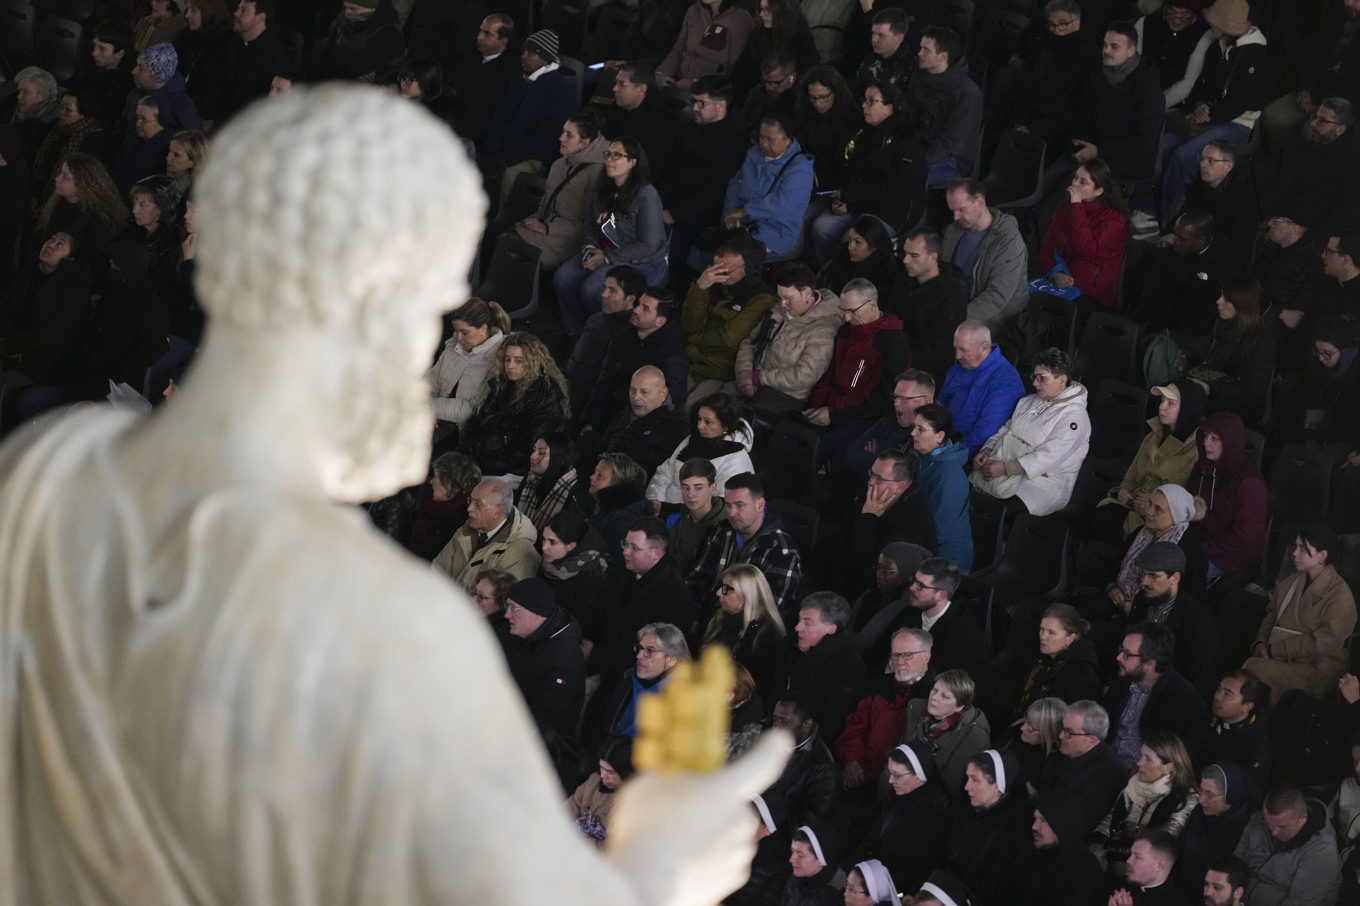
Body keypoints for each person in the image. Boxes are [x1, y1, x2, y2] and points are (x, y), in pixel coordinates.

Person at [0, 85, 792, 906]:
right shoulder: (398, 630)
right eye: (431, 309)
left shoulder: (53, 461)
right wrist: (664, 865)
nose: (436, 347)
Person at [1156, 0, 1271, 221]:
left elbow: (1240, 102)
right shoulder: (1221, 44)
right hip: (1207, 116)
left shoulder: (1255, 57)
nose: (1210, 27)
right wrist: (1199, 104)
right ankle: (1152, 211)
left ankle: (1171, 220)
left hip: (1237, 124)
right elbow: (1203, 83)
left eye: (1216, 24)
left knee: (1185, 157)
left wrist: (1208, 113)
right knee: (1162, 146)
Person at [556, 138, 669, 339]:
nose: (609, 159)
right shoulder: (601, 187)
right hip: (602, 249)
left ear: (633, 162)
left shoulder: (646, 195)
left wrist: (606, 257)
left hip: (636, 259)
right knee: (562, 278)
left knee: (591, 290)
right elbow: (591, 225)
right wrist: (589, 247)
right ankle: (576, 333)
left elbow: (649, 245)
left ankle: (599, 338)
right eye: (608, 154)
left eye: (617, 155)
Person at [1046, 21, 1163, 214]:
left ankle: (1033, 232)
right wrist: (1079, 142)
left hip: (1125, 159)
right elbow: (1083, 113)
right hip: (1094, 147)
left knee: (1068, 188)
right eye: (1105, 45)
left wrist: (1098, 152)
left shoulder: (1149, 91)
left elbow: (1144, 144)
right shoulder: (1099, 74)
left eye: (1114, 46)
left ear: (1131, 50)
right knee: (1050, 176)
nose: (1106, 51)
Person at [809, 81, 927, 265]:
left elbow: (895, 189)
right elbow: (848, 168)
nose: (864, 105)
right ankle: (828, 272)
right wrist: (842, 198)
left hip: (890, 210)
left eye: (872, 101)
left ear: (889, 107)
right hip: (858, 202)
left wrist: (849, 196)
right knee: (821, 229)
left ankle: (853, 284)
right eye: (864, 100)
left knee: (852, 242)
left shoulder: (906, 142)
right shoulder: (862, 133)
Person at [969, 348, 1091, 517]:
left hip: (1044, 483)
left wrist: (1006, 468)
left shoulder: (1075, 418)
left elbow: (1049, 456)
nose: (1035, 383)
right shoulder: (1028, 401)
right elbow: (1006, 430)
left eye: (1042, 378)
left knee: (996, 510)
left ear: (1062, 381)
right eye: (1034, 377)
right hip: (1005, 462)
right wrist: (987, 450)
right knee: (966, 493)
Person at [1244, 524, 1359, 699]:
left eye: (1302, 549)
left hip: (1317, 667)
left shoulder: (1341, 597)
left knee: (1253, 670)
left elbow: (1322, 642)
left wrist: (1274, 650)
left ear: (1322, 555)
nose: (1295, 553)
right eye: (1296, 547)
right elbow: (1272, 616)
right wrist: (1260, 643)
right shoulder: (1292, 582)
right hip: (1279, 655)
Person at [801, 278, 911, 461]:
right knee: (794, 433)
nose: (846, 318)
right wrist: (816, 405)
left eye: (852, 311)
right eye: (843, 310)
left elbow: (878, 397)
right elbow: (831, 375)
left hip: (864, 417)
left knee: (813, 451)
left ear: (872, 305)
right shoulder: (846, 331)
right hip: (835, 407)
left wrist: (832, 412)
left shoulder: (893, 342)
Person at [656, 75, 750, 278]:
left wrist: (677, 213)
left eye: (701, 103)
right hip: (673, 201)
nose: (694, 108)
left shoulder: (735, 140)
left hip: (701, 212)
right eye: (693, 102)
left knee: (675, 256)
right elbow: (671, 166)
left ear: (720, 105)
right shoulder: (692, 127)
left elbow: (717, 190)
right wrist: (659, 201)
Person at [1079, 486, 1208, 629]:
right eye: (1150, 504)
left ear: (1176, 517)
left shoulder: (1191, 552)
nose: (1149, 511)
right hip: (1117, 601)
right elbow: (1114, 567)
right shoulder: (1141, 533)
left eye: (1158, 509)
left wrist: (1137, 607)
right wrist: (1111, 587)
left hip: (1151, 621)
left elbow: (1187, 602)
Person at [586, 517, 695, 685]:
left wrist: (595, 655)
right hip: (603, 668)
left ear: (656, 553)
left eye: (634, 548)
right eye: (626, 544)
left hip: (629, 682)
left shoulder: (674, 595)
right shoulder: (627, 573)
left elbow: (655, 653)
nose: (625, 552)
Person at [1094, 381, 1204, 543]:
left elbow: (1191, 504)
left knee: (1108, 524)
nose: (1162, 407)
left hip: (1162, 526)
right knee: (1102, 515)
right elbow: (1130, 477)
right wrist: (1124, 491)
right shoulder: (1152, 436)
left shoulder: (1198, 451)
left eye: (1170, 403)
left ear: (1188, 409)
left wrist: (1155, 508)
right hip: (1132, 507)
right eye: (1162, 401)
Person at [688, 472, 805, 620]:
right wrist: (691, 619)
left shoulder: (783, 551)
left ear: (760, 504)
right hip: (707, 621)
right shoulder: (721, 531)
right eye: (728, 505)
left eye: (739, 505)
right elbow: (697, 577)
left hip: (744, 632)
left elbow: (771, 612)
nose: (732, 513)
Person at [456, 333, 571, 478]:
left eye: (518, 361)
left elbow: (526, 450)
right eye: (507, 359)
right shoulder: (502, 385)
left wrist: (479, 466)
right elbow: (477, 420)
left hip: (513, 472)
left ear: (532, 362)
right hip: (485, 460)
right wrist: (463, 453)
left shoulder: (545, 399)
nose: (510, 366)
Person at [733, 261, 841, 415]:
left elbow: (804, 375)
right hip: (748, 382)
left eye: (788, 298)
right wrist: (744, 374)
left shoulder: (825, 328)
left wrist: (759, 378)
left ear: (807, 293)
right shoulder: (778, 311)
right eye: (780, 298)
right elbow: (749, 342)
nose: (783, 304)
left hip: (784, 398)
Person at [578, 287, 689, 435]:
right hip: (611, 414)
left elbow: (665, 403)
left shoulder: (673, 354)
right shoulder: (624, 335)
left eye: (645, 309)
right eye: (638, 304)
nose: (636, 310)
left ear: (660, 321)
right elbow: (605, 381)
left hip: (639, 430)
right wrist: (590, 422)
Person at [836, 628, 934, 794]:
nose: (900, 661)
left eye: (908, 655)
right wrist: (851, 760)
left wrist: (869, 774)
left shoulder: (934, 697)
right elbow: (856, 725)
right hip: (856, 770)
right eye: (895, 655)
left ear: (926, 657)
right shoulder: (879, 685)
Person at [511, 109, 611, 271]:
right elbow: (546, 203)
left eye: (569, 135)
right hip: (547, 227)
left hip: (570, 240)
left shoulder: (599, 173)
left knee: (511, 246)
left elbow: (591, 226)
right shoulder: (559, 164)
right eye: (563, 132)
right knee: (501, 239)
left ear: (585, 142)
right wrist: (533, 219)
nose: (561, 138)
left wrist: (549, 228)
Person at [682, 235, 776, 403]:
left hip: (720, 372)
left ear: (746, 269)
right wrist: (700, 288)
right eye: (714, 268)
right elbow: (689, 324)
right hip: (691, 360)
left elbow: (729, 339)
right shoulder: (711, 284)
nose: (718, 276)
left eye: (725, 272)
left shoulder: (762, 299)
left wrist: (696, 338)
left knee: (690, 407)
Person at [1095, 733, 1200, 878]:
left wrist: (1109, 849)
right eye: (1141, 756)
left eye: (1148, 759)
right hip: (1115, 854)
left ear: (1168, 767)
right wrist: (1098, 842)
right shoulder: (1133, 782)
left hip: (1147, 868)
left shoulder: (1183, 800)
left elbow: (1161, 842)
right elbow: (1110, 819)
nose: (1139, 763)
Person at [851, 742, 950, 893]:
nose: (890, 781)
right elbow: (873, 837)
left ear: (920, 776)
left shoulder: (935, 818)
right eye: (889, 773)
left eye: (897, 775)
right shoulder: (896, 797)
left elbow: (915, 870)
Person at [713, 112, 813, 261]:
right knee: (704, 248)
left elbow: (780, 204)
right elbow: (735, 184)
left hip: (775, 231)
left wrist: (743, 212)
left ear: (787, 140)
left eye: (770, 140)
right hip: (744, 224)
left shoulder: (800, 169)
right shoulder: (753, 155)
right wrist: (730, 214)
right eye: (761, 138)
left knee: (731, 259)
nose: (764, 144)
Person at [1000, 0, 1097, 149]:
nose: (1057, 30)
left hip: (1056, 134)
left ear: (1077, 23)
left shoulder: (1089, 57)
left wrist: (1033, 129)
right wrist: (1020, 121)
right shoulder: (1050, 50)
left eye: (1063, 24)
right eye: (1052, 25)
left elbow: (1072, 110)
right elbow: (1031, 88)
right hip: (1032, 121)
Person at [1183, 276, 1277, 426]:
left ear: (1242, 304)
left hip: (1238, 405)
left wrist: (1210, 389)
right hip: (1215, 389)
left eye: (1226, 299)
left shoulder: (1262, 341)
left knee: (1182, 406)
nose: (1218, 301)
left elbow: (1253, 392)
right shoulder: (1223, 325)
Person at [1038, 158, 1130, 311]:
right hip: (1059, 281)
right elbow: (1047, 246)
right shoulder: (1065, 208)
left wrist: (1076, 207)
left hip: (1090, 294)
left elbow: (1085, 247)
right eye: (1075, 177)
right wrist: (1055, 273)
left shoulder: (1115, 219)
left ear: (1099, 191)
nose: (1075, 184)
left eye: (1083, 182)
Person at [1184, 412, 1267, 582]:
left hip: (1229, 557)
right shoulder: (1203, 467)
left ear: (1230, 444)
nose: (1207, 443)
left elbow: (1244, 535)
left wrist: (1201, 548)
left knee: (1178, 578)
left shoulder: (1249, 484)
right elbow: (1186, 501)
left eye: (1215, 438)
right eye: (1206, 436)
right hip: (1197, 543)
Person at [583, 622, 693, 746]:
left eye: (650, 651)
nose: (639, 656)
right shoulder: (625, 680)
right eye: (640, 648)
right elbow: (596, 728)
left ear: (671, 660)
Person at [503, 577, 586, 739]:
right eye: (507, 606)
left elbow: (549, 724)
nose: (506, 615)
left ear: (536, 613)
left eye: (513, 608)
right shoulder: (528, 634)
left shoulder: (562, 660)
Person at [1233, 784, 1342, 906]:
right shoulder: (1258, 820)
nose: (1273, 832)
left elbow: (1299, 903)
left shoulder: (1321, 853)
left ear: (1303, 819)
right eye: (1269, 824)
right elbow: (1235, 864)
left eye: (1282, 827)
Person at [941, 180, 1029, 329]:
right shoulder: (954, 231)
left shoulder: (1008, 240)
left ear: (980, 202)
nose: (955, 217)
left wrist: (956, 318)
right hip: (957, 304)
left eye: (961, 210)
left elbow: (996, 297)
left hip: (995, 315)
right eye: (953, 211)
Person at [946, 750, 1031, 904]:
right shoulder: (964, 811)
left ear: (998, 785)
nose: (966, 786)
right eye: (967, 778)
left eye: (975, 780)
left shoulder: (1014, 831)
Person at [1134, 210, 1237, 337]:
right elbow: (1150, 289)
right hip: (1159, 322)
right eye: (1174, 234)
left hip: (1191, 334)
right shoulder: (1168, 252)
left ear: (1201, 241)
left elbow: (1213, 309)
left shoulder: (1222, 265)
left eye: (1182, 239)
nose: (1175, 241)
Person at [1036, 700, 1130, 834]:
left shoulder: (1109, 775)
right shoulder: (1064, 752)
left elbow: (1080, 822)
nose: (1061, 735)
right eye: (1062, 728)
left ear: (1091, 740)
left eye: (1068, 732)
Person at [788, 592, 869, 746]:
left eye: (808, 623)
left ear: (831, 629)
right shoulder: (793, 649)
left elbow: (832, 724)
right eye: (799, 620)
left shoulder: (849, 667)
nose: (797, 627)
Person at [702, 563, 789, 705]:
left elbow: (769, 688)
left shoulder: (767, 637)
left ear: (746, 594)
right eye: (720, 586)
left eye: (726, 589)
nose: (718, 593)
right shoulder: (715, 620)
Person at [1157, 140, 1258, 262]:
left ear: (1228, 166)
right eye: (1202, 158)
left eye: (1211, 161)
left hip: (1218, 258)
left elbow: (1235, 243)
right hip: (1192, 244)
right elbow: (1185, 211)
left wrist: (1185, 241)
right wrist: (1171, 233)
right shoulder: (1199, 184)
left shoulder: (1243, 200)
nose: (1202, 164)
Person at [647, 393, 755, 507]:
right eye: (699, 419)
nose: (700, 426)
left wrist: (668, 511)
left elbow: (719, 506)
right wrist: (654, 501)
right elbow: (664, 473)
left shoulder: (736, 460)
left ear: (725, 426)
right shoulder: (690, 440)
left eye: (707, 422)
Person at [565, 266, 646, 414]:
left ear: (630, 299)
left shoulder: (628, 336)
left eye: (612, 291)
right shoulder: (597, 318)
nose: (603, 294)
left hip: (582, 403)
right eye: (605, 288)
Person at [907, 26, 982, 188]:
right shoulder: (918, 78)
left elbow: (951, 142)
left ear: (942, 57)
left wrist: (914, 163)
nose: (919, 54)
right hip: (918, 148)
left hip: (949, 160)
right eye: (920, 48)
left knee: (903, 179)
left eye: (926, 50)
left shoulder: (967, 93)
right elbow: (908, 117)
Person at [433, 478, 542, 588]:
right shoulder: (465, 530)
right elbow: (438, 569)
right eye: (470, 500)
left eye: (478, 504)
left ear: (498, 511)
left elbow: (505, 602)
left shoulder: (520, 554)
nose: (469, 508)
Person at [895, 558, 990, 683]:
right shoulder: (912, 612)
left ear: (941, 595)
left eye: (920, 586)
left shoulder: (963, 641)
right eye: (913, 580)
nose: (912, 588)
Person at [938, 320, 1026, 455]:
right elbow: (939, 407)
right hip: (941, 439)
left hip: (966, 453)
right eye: (955, 348)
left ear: (984, 348)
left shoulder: (1006, 381)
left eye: (963, 350)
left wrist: (950, 456)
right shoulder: (956, 370)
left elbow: (985, 433)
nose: (957, 356)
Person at [892, 228, 968, 382]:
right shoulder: (902, 280)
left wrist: (893, 353)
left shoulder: (951, 295)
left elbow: (936, 351)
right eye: (904, 253)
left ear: (932, 257)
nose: (905, 260)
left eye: (914, 256)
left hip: (921, 373)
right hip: (890, 355)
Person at [1188, 671, 1273, 806]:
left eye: (1227, 694)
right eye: (1218, 689)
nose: (1218, 697)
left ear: (1247, 706)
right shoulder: (1209, 718)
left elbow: (1247, 792)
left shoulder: (1256, 745)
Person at [901, 669, 990, 799]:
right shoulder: (915, 711)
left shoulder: (974, 737)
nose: (934, 697)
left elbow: (951, 786)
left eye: (945, 696)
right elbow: (899, 755)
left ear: (960, 706)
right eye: (935, 690)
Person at [426, 296, 510, 432]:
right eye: (456, 331)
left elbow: (473, 410)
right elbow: (433, 378)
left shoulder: (501, 357)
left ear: (483, 328)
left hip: (471, 435)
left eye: (464, 332)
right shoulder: (454, 345)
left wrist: (429, 407)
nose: (458, 338)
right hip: (440, 423)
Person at [1011, 788, 1107, 906]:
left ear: (1064, 824)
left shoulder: (1085, 875)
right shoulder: (1029, 851)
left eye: (1044, 821)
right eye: (1035, 819)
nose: (1035, 827)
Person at [841, 370, 935, 487]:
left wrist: (876, 457)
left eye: (904, 399)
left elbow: (901, 479)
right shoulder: (888, 421)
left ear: (926, 401)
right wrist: (883, 465)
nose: (896, 404)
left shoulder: (930, 436)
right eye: (895, 397)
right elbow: (851, 454)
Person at [909, 404, 973, 570]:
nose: (912, 433)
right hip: (924, 540)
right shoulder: (925, 457)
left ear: (940, 436)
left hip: (944, 561)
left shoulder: (948, 476)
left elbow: (939, 531)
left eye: (920, 429)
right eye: (913, 427)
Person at [594, 366, 690, 476]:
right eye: (633, 390)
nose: (636, 397)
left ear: (663, 393)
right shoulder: (622, 416)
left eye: (644, 392)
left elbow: (660, 475)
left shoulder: (675, 428)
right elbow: (598, 450)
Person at [1176, 763, 1252, 896]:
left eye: (1209, 795)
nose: (1201, 800)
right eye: (1201, 791)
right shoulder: (1199, 813)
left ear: (1230, 795)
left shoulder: (1244, 828)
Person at [1012, 604, 1102, 718]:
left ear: (1070, 638)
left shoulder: (1083, 677)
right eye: (1042, 629)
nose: (1043, 636)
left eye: (1051, 632)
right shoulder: (1044, 658)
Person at [765, 694, 837, 829]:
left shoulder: (822, 768)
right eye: (774, 719)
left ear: (807, 725)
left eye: (785, 722)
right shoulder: (767, 742)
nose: (776, 727)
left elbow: (809, 823)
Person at [603, 63, 681, 189]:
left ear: (641, 89)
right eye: (615, 82)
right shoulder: (617, 109)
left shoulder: (661, 123)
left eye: (622, 84)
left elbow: (649, 171)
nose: (615, 89)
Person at [539, 505, 611, 636]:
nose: (544, 547)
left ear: (571, 546)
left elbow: (582, 623)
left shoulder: (590, 576)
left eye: (552, 542)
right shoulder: (550, 560)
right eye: (544, 540)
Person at [655, 0, 757, 92]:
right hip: (678, 82)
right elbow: (678, 50)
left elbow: (734, 70)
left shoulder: (741, 19)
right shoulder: (693, 11)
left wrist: (695, 83)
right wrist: (661, 74)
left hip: (711, 93)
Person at [450, 14, 520, 148]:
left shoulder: (510, 73)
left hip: (477, 140)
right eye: (480, 30)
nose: (479, 37)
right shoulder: (468, 59)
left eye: (487, 34)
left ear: (503, 41)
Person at [793, 66, 860, 192]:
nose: (818, 103)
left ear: (835, 92)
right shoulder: (803, 112)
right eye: (813, 97)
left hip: (836, 182)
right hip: (805, 173)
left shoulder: (852, 119)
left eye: (824, 97)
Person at [734, 0, 817, 99]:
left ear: (782, 11)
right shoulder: (758, 35)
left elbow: (806, 77)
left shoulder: (801, 40)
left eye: (767, 10)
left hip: (786, 103)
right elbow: (742, 70)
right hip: (751, 100)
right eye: (761, 9)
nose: (761, 14)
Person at [585, 453, 652, 571]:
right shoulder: (602, 504)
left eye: (599, 475)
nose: (592, 477)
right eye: (595, 472)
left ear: (616, 483)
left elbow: (616, 568)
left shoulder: (624, 521)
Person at [565, 736, 634, 846]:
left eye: (610, 772)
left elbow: (613, 849)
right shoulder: (594, 781)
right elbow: (572, 804)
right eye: (601, 768)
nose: (603, 775)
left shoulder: (636, 804)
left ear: (627, 773)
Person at [817, 216, 900, 304]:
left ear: (874, 246)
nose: (850, 247)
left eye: (858, 242)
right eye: (850, 240)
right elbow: (821, 285)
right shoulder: (840, 257)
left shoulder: (886, 272)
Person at [665, 459, 727, 573]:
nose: (690, 494)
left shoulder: (727, 527)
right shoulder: (673, 521)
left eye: (698, 488)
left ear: (712, 488)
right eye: (685, 487)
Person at [517, 432, 581, 531]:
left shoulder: (573, 492)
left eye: (541, 453)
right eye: (533, 450)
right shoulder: (530, 477)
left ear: (560, 458)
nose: (532, 456)